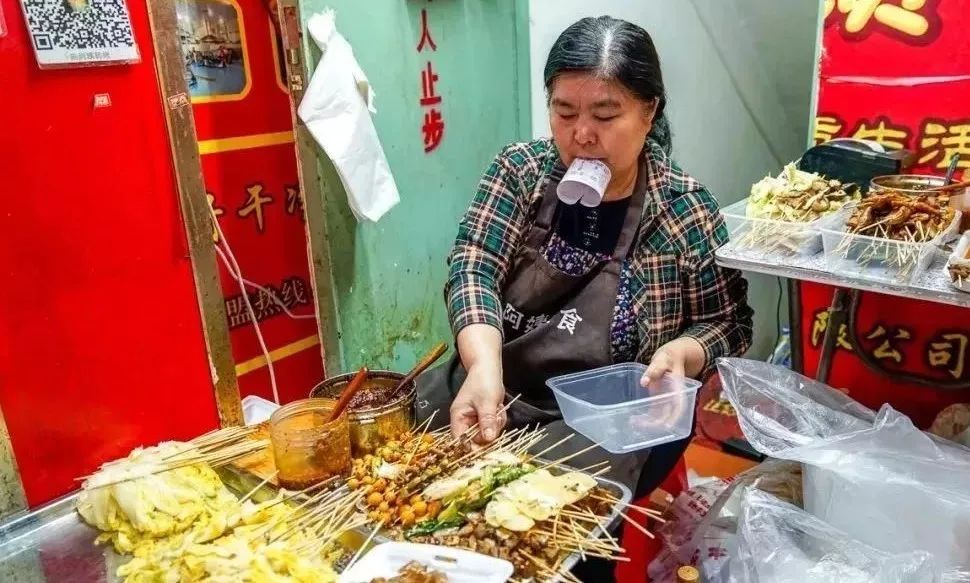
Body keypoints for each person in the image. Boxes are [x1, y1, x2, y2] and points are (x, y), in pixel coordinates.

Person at [419, 15, 753, 505]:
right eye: (564, 111)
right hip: (495, 384)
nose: (581, 135)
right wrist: (483, 365)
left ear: (649, 111)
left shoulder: (684, 209)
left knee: (554, 536)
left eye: (605, 114)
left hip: (606, 422)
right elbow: (475, 265)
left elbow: (728, 322)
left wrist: (685, 352)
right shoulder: (520, 172)